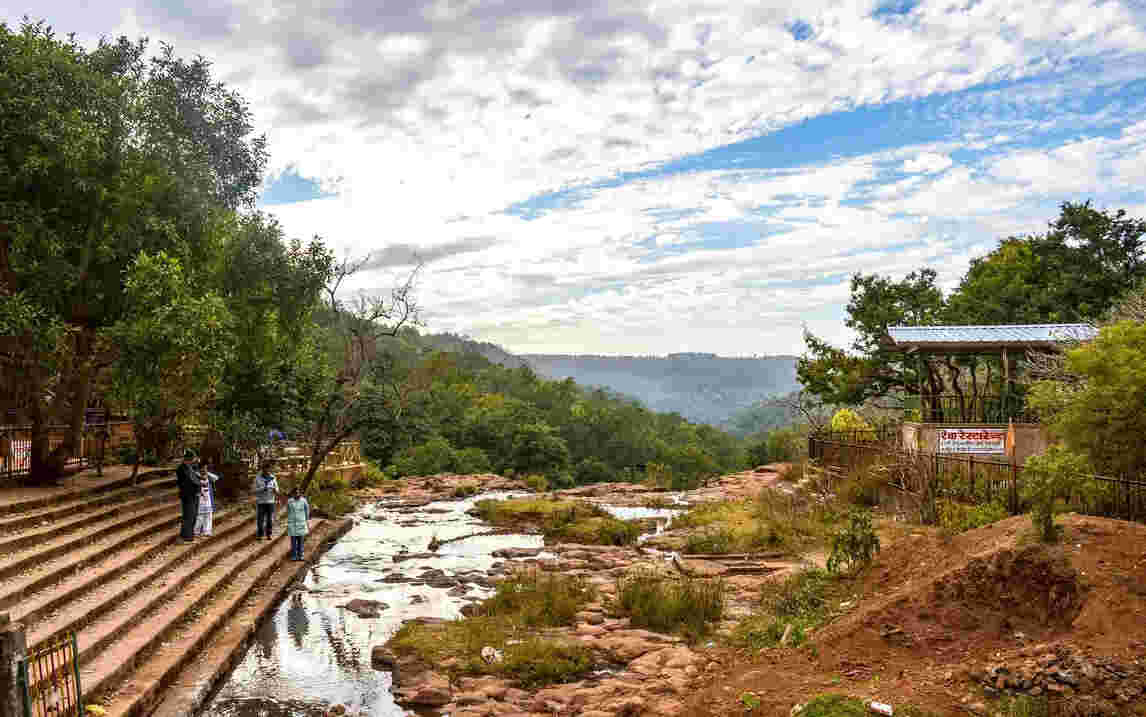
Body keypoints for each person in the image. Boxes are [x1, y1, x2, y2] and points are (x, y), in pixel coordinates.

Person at [176, 449, 201, 543]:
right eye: (193, 458)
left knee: (193, 515)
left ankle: (187, 536)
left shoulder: (190, 467)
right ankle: (187, 537)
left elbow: (195, 479)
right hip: (188, 495)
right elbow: (189, 482)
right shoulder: (182, 468)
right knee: (189, 516)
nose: (194, 460)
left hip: (193, 494)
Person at [252, 461, 279, 540]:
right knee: (260, 519)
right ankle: (260, 534)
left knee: (270, 519)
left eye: (268, 469)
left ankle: (269, 534)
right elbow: (253, 490)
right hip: (261, 502)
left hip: (271, 501)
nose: (267, 471)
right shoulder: (257, 478)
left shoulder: (273, 478)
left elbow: (277, 489)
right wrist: (262, 489)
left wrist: (275, 490)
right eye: (265, 469)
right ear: (263, 469)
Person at [195, 461, 219, 537]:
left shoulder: (208, 476)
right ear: (200, 468)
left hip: (208, 498)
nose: (204, 470)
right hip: (200, 498)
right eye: (203, 468)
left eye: (206, 468)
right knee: (199, 516)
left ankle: (207, 531)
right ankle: (196, 531)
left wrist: (207, 473)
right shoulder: (196, 475)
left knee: (208, 515)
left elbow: (216, 478)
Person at [286, 487, 310, 561]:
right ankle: (294, 556)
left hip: (301, 523)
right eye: (295, 493)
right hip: (292, 523)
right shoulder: (289, 501)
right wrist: (289, 521)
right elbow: (288, 511)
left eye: (298, 492)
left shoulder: (304, 501)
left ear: (300, 493)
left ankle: (301, 555)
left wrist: (306, 520)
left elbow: (307, 511)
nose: (297, 494)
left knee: (300, 541)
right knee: (293, 541)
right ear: (293, 493)